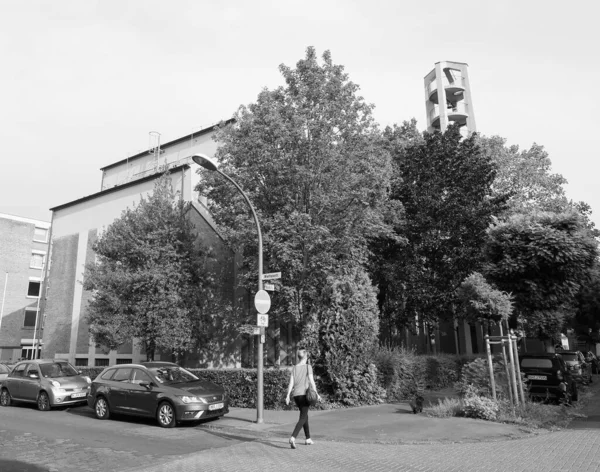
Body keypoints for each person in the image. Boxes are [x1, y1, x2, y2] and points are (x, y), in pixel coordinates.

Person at [285, 345, 321, 449]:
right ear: (305, 357)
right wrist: (317, 393)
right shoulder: (307, 367)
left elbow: (290, 383)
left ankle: (308, 438)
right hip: (304, 395)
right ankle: (293, 437)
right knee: (303, 417)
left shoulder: (295, 368)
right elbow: (312, 381)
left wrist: (288, 395)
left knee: (305, 415)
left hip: (296, 396)